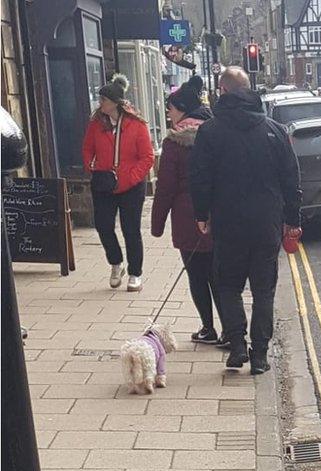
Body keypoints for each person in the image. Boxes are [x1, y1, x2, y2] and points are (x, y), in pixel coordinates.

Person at [189, 67, 301, 374]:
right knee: (264, 290)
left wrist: (201, 214)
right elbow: (291, 178)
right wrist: (292, 218)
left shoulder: (210, 132)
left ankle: (237, 346)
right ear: (249, 90)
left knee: (228, 286)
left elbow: (199, 178)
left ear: (223, 92)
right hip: (266, 223)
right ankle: (260, 355)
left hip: (228, 223)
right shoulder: (274, 130)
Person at [151, 75, 226, 345]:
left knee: (198, 275)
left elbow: (166, 188)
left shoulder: (174, 142)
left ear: (181, 108)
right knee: (220, 275)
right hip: (220, 216)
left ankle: (208, 328)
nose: (168, 113)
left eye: (170, 108)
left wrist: (157, 224)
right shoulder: (218, 133)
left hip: (188, 219)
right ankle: (230, 330)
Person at [82, 74, 155, 292]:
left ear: (115, 102)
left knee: (130, 229)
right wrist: (91, 167)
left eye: (104, 99)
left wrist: (131, 178)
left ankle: (135, 273)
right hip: (104, 183)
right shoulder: (96, 124)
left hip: (131, 186)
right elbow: (87, 148)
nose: (100, 103)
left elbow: (147, 157)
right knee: (103, 225)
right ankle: (116, 262)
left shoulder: (136, 125)